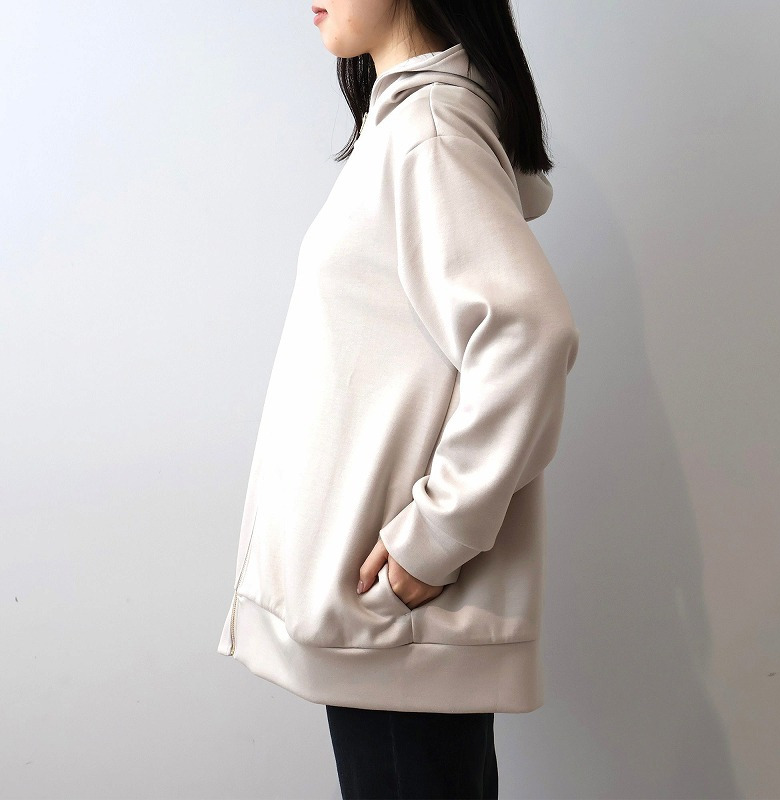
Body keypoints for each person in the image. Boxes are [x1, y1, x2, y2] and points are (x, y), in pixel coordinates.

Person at [216, 1, 580, 797]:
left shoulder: (430, 132)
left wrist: (435, 538)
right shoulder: (408, 127)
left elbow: (529, 334)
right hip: (382, 613)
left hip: (395, 611)